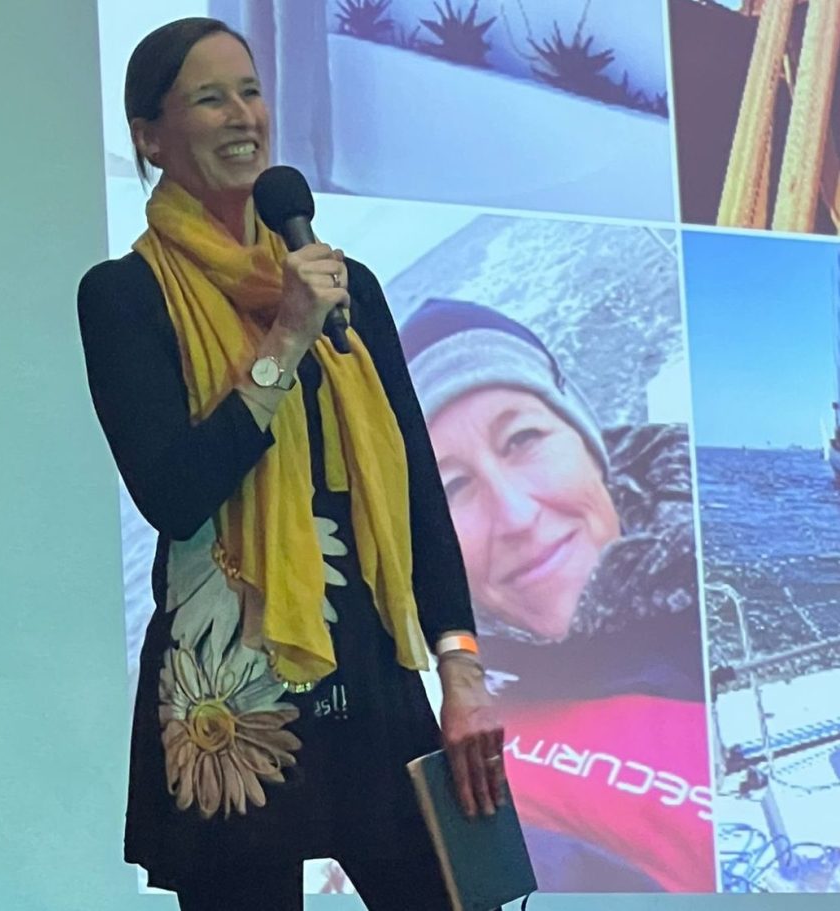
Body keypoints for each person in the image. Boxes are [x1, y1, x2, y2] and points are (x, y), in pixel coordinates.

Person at [77, 19, 504, 911]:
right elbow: (175, 491)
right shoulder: (122, 297)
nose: (243, 116)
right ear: (150, 136)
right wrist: (283, 342)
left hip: (372, 668)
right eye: (209, 97)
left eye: (250, 90)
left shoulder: (350, 287)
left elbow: (416, 488)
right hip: (229, 693)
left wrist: (460, 668)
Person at [401, 299, 715, 892]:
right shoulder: (457, 761)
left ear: (587, 442)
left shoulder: (761, 561)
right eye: (454, 486)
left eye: (523, 439)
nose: (516, 516)